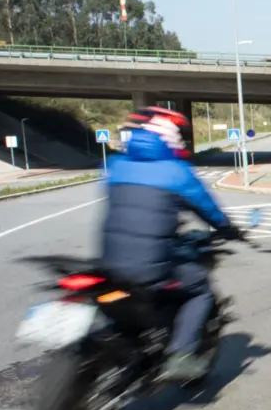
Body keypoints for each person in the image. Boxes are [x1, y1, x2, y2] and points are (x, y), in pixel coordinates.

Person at [99, 106, 241, 381]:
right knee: (200, 288)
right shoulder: (175, 172)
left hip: (108, 265)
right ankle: (181, 354)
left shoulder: (115, 165)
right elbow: (209, 211)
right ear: (170, 136)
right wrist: (229, 229)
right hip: (149, 270)